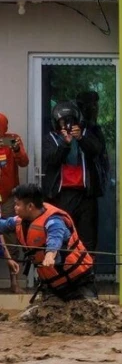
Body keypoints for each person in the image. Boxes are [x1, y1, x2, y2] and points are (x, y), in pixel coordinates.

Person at [0, 183, 96, 302]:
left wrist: (50, 255)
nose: (15, 207)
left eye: (18, 204)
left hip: (78, 282)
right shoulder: (19, 221)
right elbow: (3, 225)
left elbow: (55, 238)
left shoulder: (54, 221)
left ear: (30, 206)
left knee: (90, 314)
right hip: (54, 285)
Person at [41, 101, 105, 253]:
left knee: (87, 238)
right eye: (63, 121)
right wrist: (65, 143)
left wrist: (81, 138)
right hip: (60, 195)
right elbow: (51, 160)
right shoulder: (50, 139)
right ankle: (64, 273)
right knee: (62, 235)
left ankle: (88, 273)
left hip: (85, 195)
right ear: (56, 122)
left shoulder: (85, 134)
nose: (67, 125)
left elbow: (97, 150)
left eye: (71, 121)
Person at [0, 113, 29, 293]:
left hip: (9, 199)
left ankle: (15, 283)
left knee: (12, 239)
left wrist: (17, 150)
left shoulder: (12, 140)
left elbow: (24, 162)